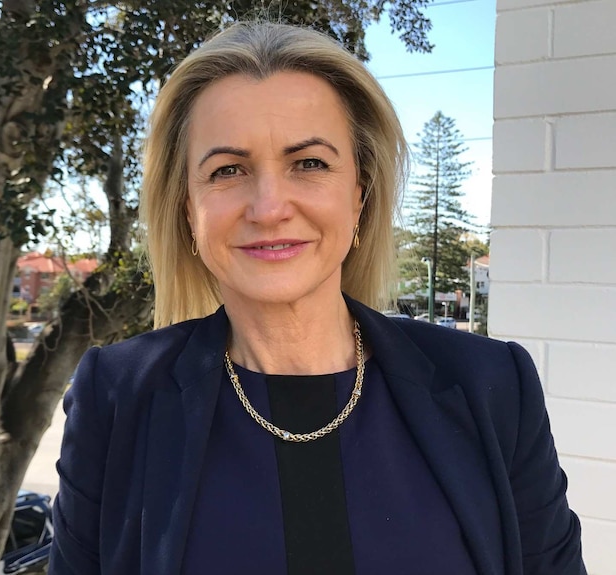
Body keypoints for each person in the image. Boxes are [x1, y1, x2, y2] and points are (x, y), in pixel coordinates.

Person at [49, 21, 586, 575]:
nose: (269, 206)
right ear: (188, 208)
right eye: (227, 170)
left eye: (309, 163)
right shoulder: (115, 396)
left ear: (359, 194)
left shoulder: (493, 386)